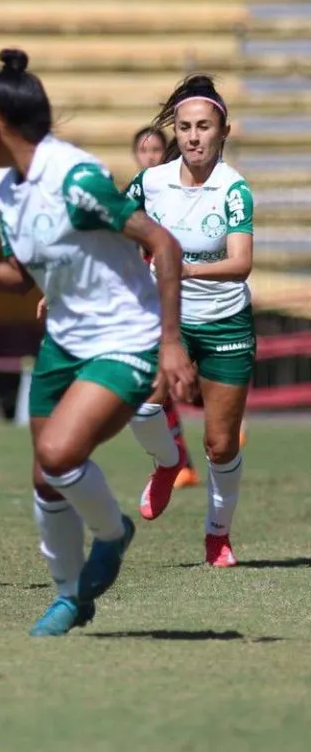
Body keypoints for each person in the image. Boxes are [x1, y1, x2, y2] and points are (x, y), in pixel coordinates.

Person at [0, 49, 194, 636]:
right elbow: (19, 276)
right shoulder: (9, 192)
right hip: (63, 341)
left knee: (59, 456)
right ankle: (69, 597)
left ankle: (111, 533)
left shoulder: (76, 181)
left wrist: (171, 344)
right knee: (44, 475)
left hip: (125, 336)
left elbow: (166, 246)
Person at [126, 75, 254, 567]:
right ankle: (167, 461)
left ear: (223, 131)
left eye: (204, 126)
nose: (194, 136)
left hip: (225, 325)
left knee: (221, 445)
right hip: (166, 320)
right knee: (140, 404)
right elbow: (111, 222)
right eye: (185, 127)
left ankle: (217, 535)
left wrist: (183, 267)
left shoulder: (234, 189)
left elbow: (241, 263)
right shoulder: (151, 181)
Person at [131, 125, 200, 490]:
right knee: (158, 388)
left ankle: (182, 458)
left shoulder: (176, 193)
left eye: (157, 150)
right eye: (144, 151)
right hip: (148, 302)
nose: (151, 157)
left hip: (183, 297)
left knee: (169, 384)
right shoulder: (137, 194)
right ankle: (179, 460)